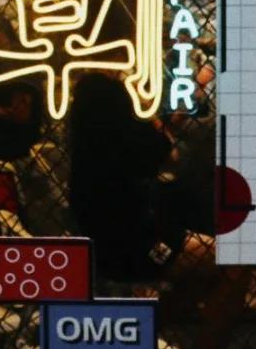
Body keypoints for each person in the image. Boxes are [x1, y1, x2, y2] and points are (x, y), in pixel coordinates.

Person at [68, 72, 206, 281]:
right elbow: (172, 154)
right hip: (146, 251)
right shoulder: (129, 140)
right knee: (225, 261)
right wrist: (148, 113)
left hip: (108, 253)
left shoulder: (84, 149)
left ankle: (166, 300)